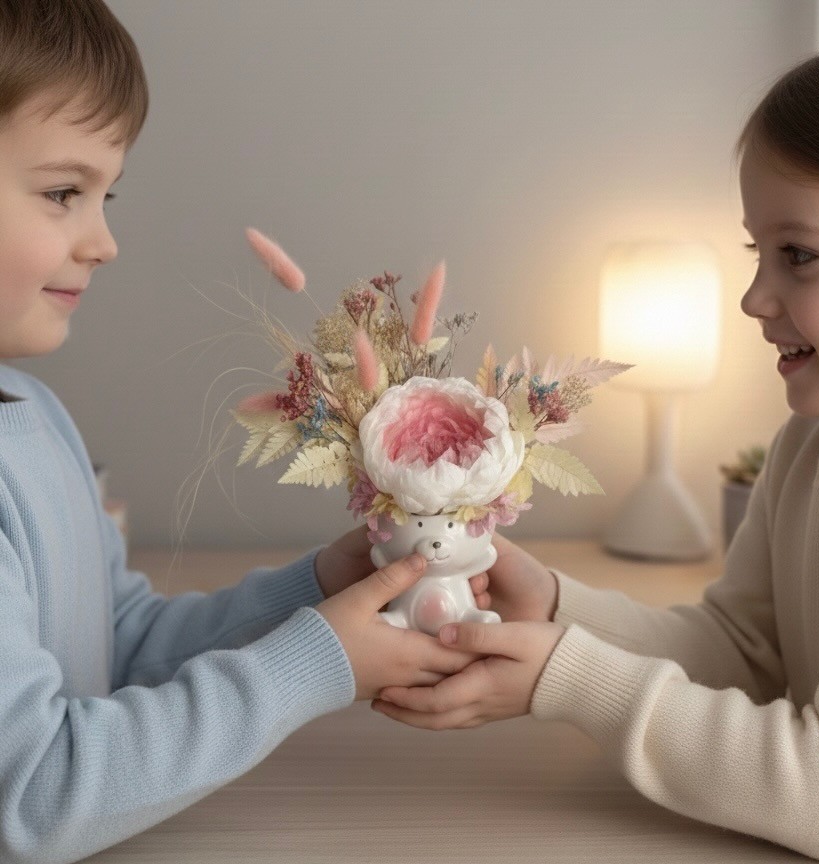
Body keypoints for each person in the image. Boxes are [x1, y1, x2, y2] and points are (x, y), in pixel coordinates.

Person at [0, 2, 475, 861]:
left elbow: (121, 651)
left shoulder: (32, 417)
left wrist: (318, 591)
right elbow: (33, 793)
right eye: (63, 193)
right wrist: (317, 663)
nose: (105, 241)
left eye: (107, 195)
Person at [372, 37, 819, 864]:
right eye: (757, 251)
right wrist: (556, 610)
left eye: (800, 255)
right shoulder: (807, 444)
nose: (753, 296)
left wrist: (564, 679)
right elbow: (748, 657)